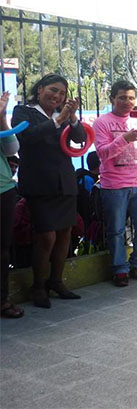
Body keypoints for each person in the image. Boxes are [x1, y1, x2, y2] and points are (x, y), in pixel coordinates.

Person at [11, 74, 86, 307]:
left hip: (65, 183)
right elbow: (26, 138)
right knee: (46, 236)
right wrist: (58, 120)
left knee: (65, 233)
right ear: (40, 89)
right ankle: (38, 286)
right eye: (53, 90)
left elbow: (81, 138)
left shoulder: (62, 115)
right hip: (40, 184)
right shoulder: (23, 112)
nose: (57, 96)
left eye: (62, 93)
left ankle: (56, 281)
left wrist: (71, 118)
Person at [93, 80, 137, 287]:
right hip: (114, 185)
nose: (127, 102)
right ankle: (119, 269)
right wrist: (125, 139)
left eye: (131, 98)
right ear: (112, 99)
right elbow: (103, 154)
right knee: (116, 230)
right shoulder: (102, 122)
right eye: (122, 97)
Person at [1, 91, 23, 318]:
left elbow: (11, 149)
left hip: (3, 190)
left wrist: (2, 117)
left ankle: (2, 299)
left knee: (2, 249)